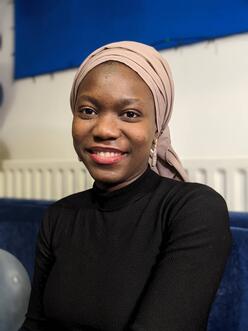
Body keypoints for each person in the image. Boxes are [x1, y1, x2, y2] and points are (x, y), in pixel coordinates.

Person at [20, 41, 231, 331]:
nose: (104, 130)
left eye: (129, 114)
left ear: (157, 128)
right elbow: (35, 325)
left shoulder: (194, 209)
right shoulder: (59, 216)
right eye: (88, 111)